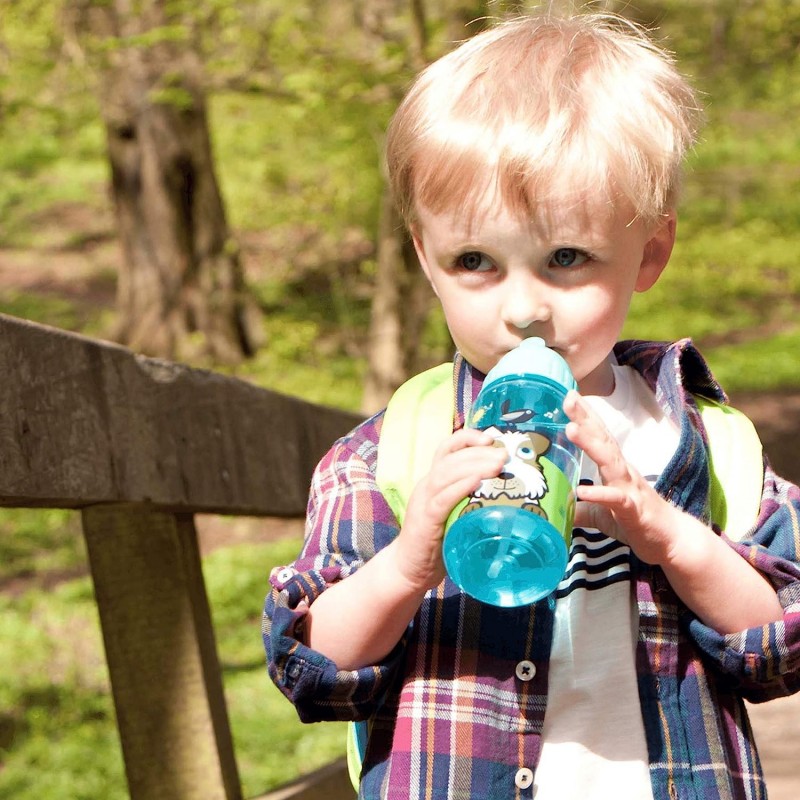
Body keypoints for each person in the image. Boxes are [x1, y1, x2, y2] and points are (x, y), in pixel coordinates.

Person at [263, 11, 800, 800]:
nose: (524, 310)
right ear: (426, 257)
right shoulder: (392, 453)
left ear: (648, 253)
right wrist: (413, 555)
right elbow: (313, 667)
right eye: (474, 260)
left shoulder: (701, 442)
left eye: (566, 258)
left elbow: (777, 645)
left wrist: (665, 534)